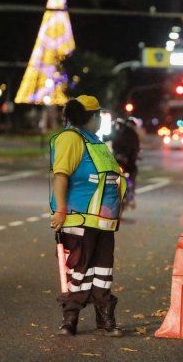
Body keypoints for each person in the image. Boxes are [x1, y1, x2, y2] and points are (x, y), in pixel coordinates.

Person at [50, 95, 126, 336]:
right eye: (98, 116)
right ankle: (69, 320)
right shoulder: (71, 139)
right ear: (92, 117)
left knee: (103, 270)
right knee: (79, 270)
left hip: (102, 221)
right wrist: (61, 210)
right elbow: (61, 175)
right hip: (79, 218)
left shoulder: (95, 141)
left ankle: (105, 317)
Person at [112, 117, 140, 208]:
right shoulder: (133, 134)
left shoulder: (118, 132)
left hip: (117, 160)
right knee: (133, 173)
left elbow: (114, 145)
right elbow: (135, 148)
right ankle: (131, 196)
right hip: (128, 162)